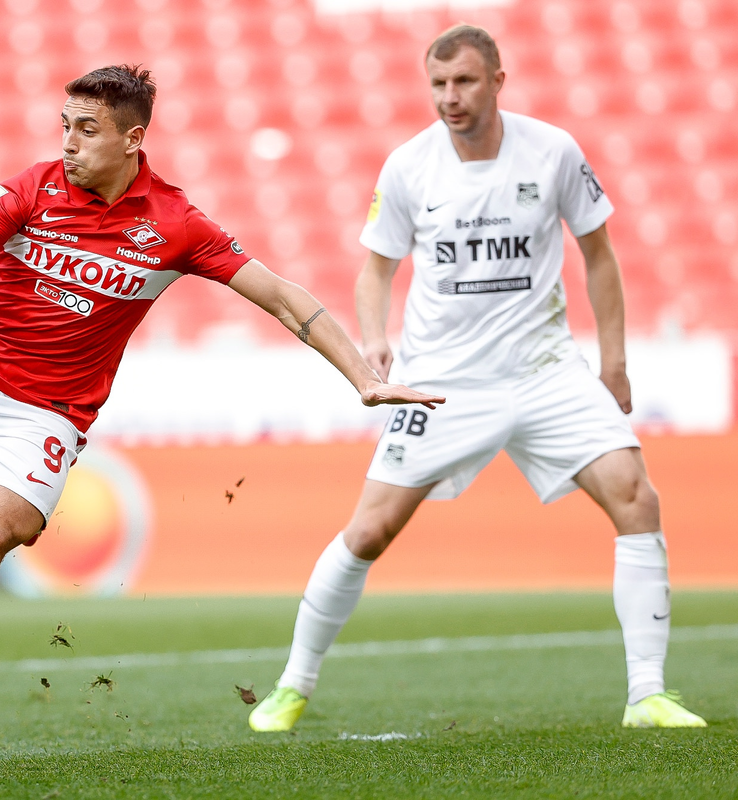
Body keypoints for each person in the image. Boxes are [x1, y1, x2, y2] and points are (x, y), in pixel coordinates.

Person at [0, 64, 444, 760]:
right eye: (65, 125)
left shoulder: (174, 224)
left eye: (87, 129)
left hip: (45, 413)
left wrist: (364, 379)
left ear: (132, 139)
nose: (69, 142)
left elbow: (283, 297)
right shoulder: (30, 188)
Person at [248, 25, 707, 733]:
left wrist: (614, 362)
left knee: (636, 498)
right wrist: (375, 337)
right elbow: (376, 270)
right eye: (437, 84)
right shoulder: (409, 166)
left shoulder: (553, 151)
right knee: (369, 531)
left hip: (545, 371)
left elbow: (600, 255)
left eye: (463, 81)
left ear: (497, 80)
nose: (449, 97)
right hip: (445, 381)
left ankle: (647, 695)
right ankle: (291, 686)